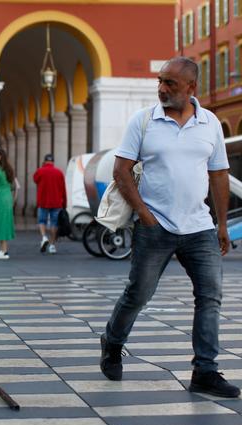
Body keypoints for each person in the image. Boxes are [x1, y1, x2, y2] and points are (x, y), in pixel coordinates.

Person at [99, 57, 240, 398]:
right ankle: (112, 342)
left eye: (170, 84)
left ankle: (205, 371)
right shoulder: (143, 120)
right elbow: (121, 171)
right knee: (138, 294)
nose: (162, 88)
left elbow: (219, 174)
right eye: (160, 81)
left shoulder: (209, 124)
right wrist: (146, 216)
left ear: (192, 88)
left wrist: (221, 224)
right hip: (155, 226)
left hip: (199, 227)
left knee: (210, 298)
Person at [33, 153, 66, 254]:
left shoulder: (40, 171)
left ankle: (44, 238)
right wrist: (64, 202)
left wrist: (42, 167)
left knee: (42, 221)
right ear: (53, 162)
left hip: (43, 201)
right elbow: (63, 189)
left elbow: (35, 179)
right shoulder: (59, 172)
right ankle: (52, 245)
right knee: (54, 223)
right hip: (56, 202)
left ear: (45, 161)